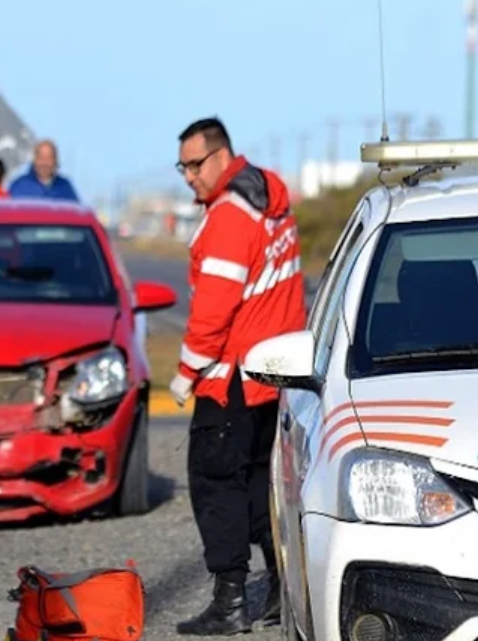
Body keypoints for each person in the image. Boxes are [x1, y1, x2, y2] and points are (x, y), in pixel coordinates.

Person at [170, 117, 308, 636]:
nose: (188, 176)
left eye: (195, 164)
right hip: (273, 373)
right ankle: (278, 587)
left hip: (229, 374)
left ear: (222, 156)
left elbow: (213, 310)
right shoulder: (272, 202)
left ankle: (229, 601)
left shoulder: (230, 216)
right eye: (182, 166)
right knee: (260, 483)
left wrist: (185, 373)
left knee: (215, 482)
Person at [8, 139, 80, 201]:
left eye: (49, 158)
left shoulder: (65, 187)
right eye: (41, 157)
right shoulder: (19, 186)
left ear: (55, 161)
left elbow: (76, 212)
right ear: (35, 160)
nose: (44, 163)